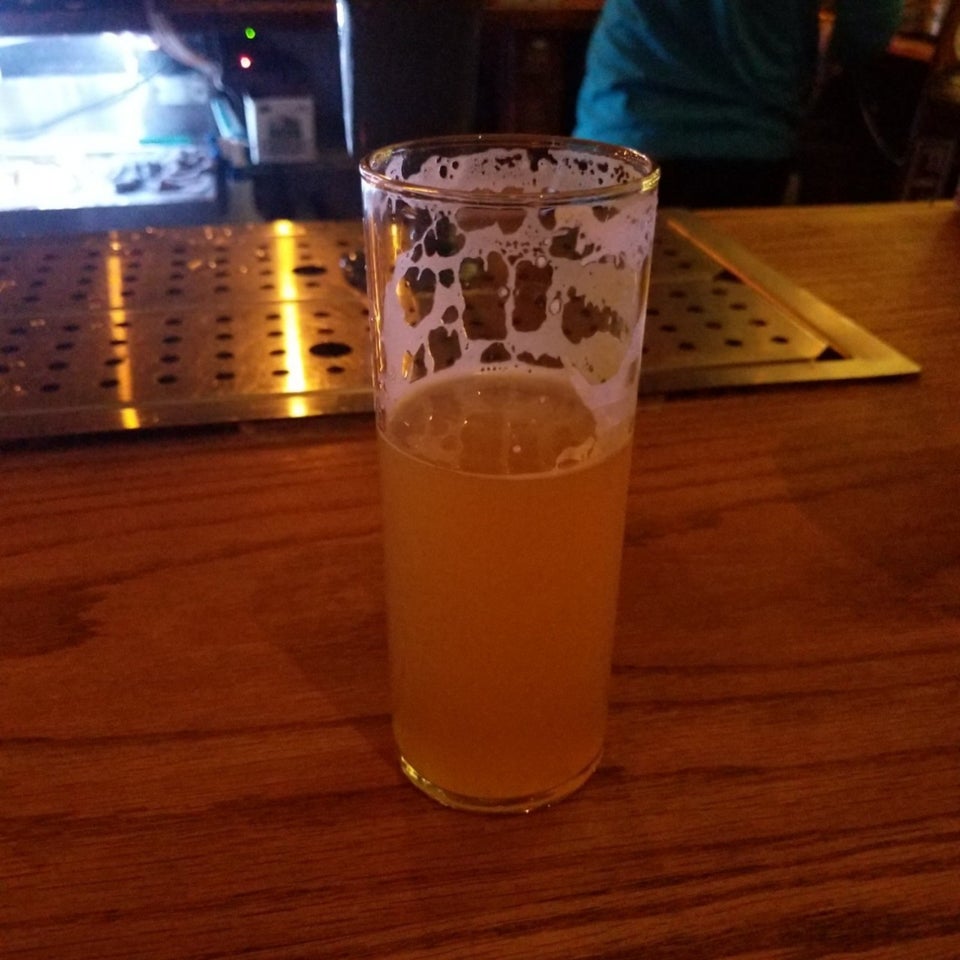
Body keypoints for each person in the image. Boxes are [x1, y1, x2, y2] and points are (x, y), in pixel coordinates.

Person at [573, 0, 904, 207]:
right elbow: (870, 24)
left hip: (622, 119)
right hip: (749, 136)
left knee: (593, 286)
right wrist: (832, 59)